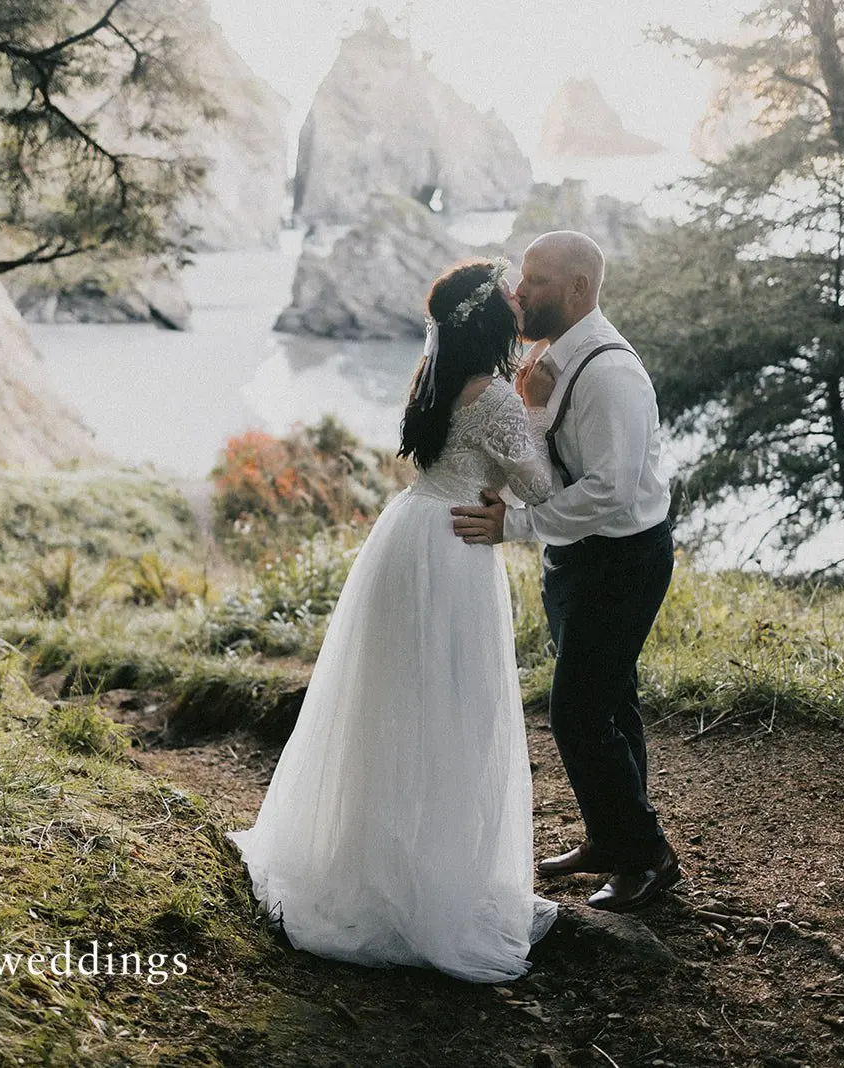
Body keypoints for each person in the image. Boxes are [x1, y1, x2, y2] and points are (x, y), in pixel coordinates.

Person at [227, 258, 560, 982]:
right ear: (492, 317)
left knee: (394, 705)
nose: (517, 298)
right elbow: (539, 486)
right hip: (454, 549)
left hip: (409, 533)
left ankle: (377, 861)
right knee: (451, 712)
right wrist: (540, 411)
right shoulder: (499, 395)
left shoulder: (434, 377)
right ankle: (430, 884)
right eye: (508, 291)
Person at [451, 231, 679, 913]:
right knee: (609, 704)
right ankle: (610, 839)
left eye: (538, 281)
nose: (519, 293)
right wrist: (536, 408)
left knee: (578, 714)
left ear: (579, 289)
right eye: (523, 279)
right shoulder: (552, 362)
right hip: (578, 557)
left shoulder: (610, 374)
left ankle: (649, 858)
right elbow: (548, 469)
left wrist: (514, 526)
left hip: (623, 560)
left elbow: (609, 489)